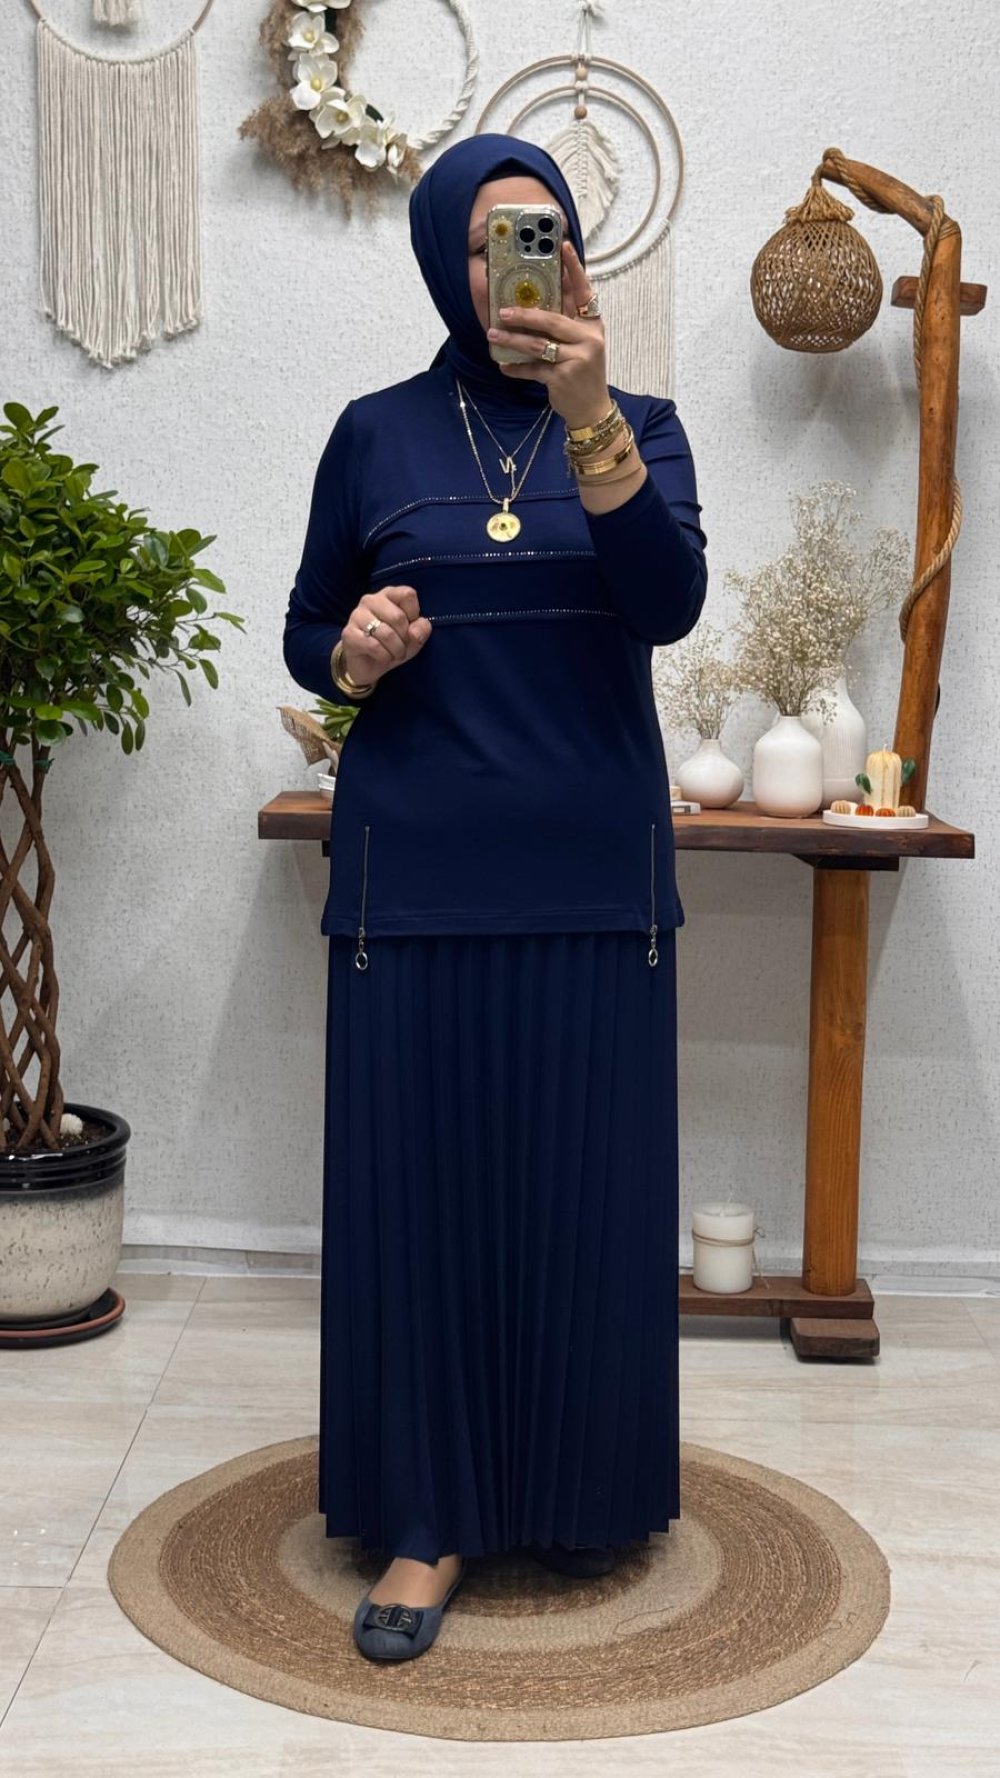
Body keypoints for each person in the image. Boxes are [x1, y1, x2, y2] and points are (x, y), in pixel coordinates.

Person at [283, 133, 708, 1664]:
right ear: (440, 262)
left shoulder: (642, 424)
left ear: (578, 256)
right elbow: (309, 629)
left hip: (595, 888)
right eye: (483, 243)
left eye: (539, 235)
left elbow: (665, 600)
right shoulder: (374, 435)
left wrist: (588, 412)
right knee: (427, 1208)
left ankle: (580, 1487)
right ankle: (428, 1514)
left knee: (579, 1200)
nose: (510, 266)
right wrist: (355, 654)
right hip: (414, 888)